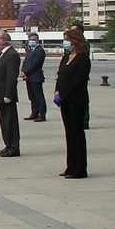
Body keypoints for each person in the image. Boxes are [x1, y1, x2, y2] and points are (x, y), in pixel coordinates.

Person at [55, 27, 90, 178]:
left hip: (76, 100)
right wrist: (57, 91)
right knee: (69, 133)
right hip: (64, 101)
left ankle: (79, 168)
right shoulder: (66, 57)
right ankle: (70, 166)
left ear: (75, 41)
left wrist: (65, 94)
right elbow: (60, 75)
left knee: (77, 134)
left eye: (68, 40)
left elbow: (78, 81)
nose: (65, 43)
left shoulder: (83, 58)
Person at [0, 30, 20, 156]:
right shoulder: (3, 54)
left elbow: (12, 76)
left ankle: (13, 147)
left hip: (6, 94)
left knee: (10, 121)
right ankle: (7, 144)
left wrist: (9, 94)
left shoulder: (12, 55)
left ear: (4, 41)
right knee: (4, 122)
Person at [21, 31, 47, 121]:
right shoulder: (30, 50)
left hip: (36, 76)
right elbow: (26, 62)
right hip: (29, 77)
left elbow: (35, 64)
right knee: (32, 96)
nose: (32, 41)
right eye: (30, 40)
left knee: (38, 96)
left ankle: (42, 114)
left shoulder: (40, 51)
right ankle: (34, 112)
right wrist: (23, 71)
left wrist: (26, 72)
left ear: (37, 40)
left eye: (34, 40)